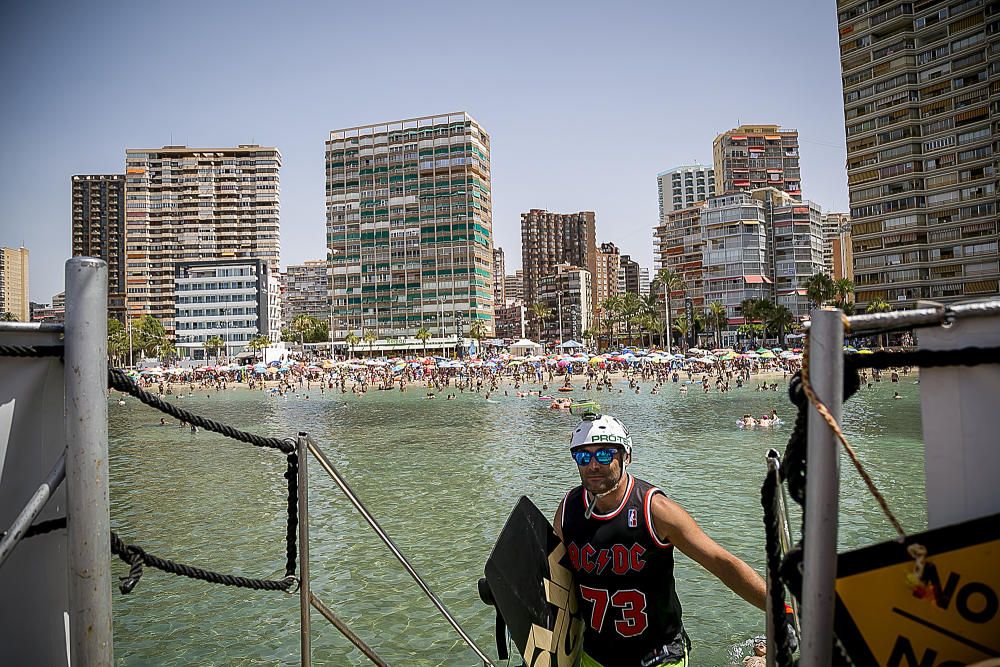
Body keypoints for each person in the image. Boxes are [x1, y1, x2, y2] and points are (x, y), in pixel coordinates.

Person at [554, 412, 766, 666]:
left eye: (604, 454)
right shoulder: (568, 510)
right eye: (583, 456)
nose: (593, 465)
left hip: (659, 655)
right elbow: (552, 574)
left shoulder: (655, 510)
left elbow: (721, 563)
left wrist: (782, 611)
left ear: (626, 456)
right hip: (596, 655)